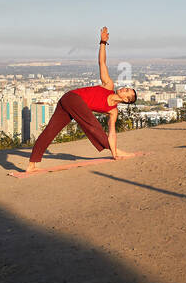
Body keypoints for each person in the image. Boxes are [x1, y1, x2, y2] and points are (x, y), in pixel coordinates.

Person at [17, 27, 138, 175]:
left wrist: (113, 151)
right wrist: (102, 43)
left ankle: (31, 165)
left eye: (127, 91)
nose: (124, 89)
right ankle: (116, 151)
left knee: (51, 131)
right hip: (71, 98)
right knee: (92, 124)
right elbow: (102, 63)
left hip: (70, 106)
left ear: (126, 100)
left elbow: (112, 133)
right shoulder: (109, 85)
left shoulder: (113, 111)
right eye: (126, 88)